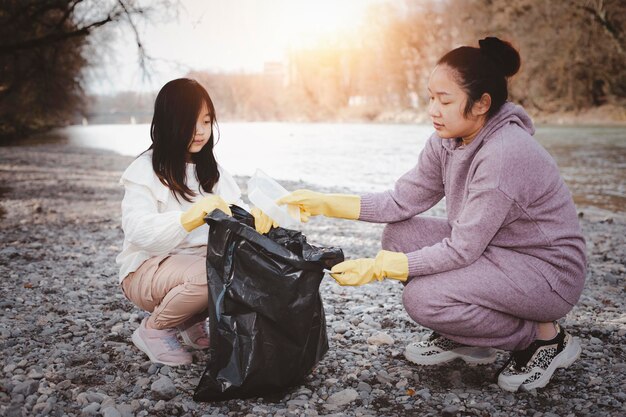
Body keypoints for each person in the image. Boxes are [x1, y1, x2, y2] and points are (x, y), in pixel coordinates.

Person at [278, 37, 586, 392]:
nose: (433, 110)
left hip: (548, 272)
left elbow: (461, 250)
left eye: (445, 100)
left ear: (482, 103)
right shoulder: (447, 140)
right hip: (497, 252)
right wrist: (322, 202)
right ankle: (467, 335)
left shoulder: (503, 155)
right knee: (399, 236)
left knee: (423, 300)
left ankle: (543, 338)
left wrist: (378, 267)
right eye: (430, 97)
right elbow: (400, 201)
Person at [116, 78, 276, 366]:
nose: (201, 131)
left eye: (206, 121)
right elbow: (138, 232)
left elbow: (234, 217)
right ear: (168, 123)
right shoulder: (145, 170)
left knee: (246, 265)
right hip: (146, 270)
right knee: (210, 274)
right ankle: (153, 330)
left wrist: (260, 217)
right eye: (191, 122)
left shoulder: (213, 172)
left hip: (193, 266)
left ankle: (189, 324)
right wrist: (188, 219)